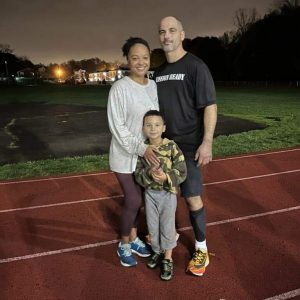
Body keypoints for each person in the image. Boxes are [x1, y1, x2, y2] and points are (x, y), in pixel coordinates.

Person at [153, 16, 218, 276]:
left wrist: (207, 142)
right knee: (163, 198)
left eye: (171, 31)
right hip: (164, 148)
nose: (166, 36)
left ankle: (201, 248)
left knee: (191, 198)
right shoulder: (157, 74)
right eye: (162, 32)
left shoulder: (196, 67)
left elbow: (209, 106)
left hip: (189, 147)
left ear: (182, 35)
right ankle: (164, 240)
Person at [107, 37, 160, 267]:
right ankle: (123, 244)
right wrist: (140, 147)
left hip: (146, 156)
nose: (141, 62)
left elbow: (154, 120)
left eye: (145, 57)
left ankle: (135, 237)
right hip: (124, 155)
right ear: (127, 60)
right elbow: (116, 126)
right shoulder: (119, 88)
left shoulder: (153, 85)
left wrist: (157, 144)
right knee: (133, 199)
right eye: (135, 57)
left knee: (142, 200)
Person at [135, 110, 187, 281]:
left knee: (167, 226)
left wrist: (166, 177)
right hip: (150, 194)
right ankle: (157, 252)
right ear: (143, 129)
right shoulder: (144, 150)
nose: (153, 128)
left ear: (164, 128)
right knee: (152, 226)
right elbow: (138, 174)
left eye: (157, 125)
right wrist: (149, 173)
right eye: (148, 125)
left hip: (167, 194)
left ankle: (168, 258)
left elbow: (182, 171)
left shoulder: (171, 146)